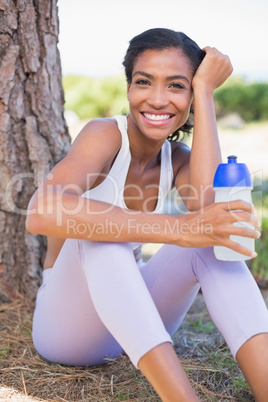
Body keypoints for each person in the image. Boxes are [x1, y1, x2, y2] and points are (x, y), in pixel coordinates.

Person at [26, 28, 268, 401]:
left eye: (177, 86)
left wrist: (204, 93)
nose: (157, 99)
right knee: (102, 234)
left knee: (212, 242)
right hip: (68, 331)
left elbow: (210, 217)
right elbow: (41, 212)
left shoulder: (180, 159)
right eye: (144, 82)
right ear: (128, 88)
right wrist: (181, 228)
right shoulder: (104, 135)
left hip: (137, 324)